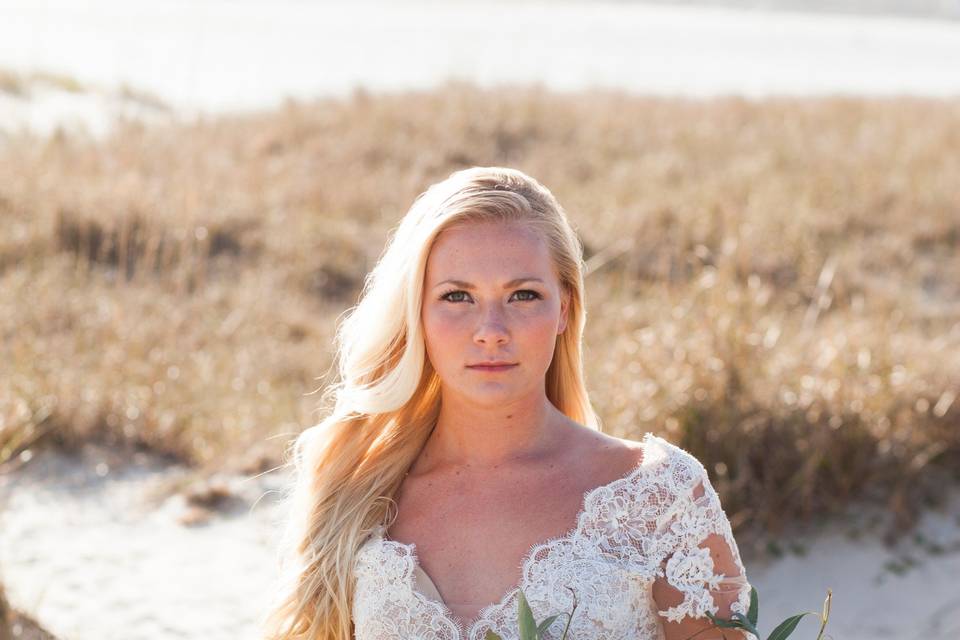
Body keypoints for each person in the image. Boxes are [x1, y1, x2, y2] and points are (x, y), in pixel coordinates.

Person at [261, 167, 754, 640]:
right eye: (457, 296)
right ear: (416, 314)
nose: (491, 332)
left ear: (563, 308)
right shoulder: (356, 496)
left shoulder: (659, 495)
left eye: (522, 295)